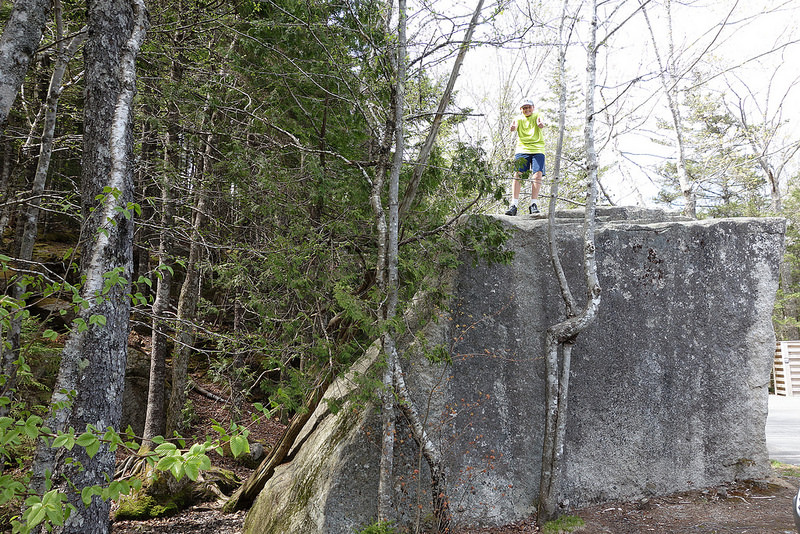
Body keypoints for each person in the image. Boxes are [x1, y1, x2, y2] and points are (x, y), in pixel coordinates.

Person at [505, 98, 545, 216]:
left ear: (533, 107)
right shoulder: (518, 118)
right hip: (522, 149)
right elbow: (514, 125)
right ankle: (514, 204)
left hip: (537, 148)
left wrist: (541, 124)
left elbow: (541, 122)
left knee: (537, 173)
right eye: (524, 108)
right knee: (518, 173)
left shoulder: (537, 115)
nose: (527, 110)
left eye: (529, 107)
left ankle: (533, 204)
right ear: (521, 109)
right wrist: (513, 128)